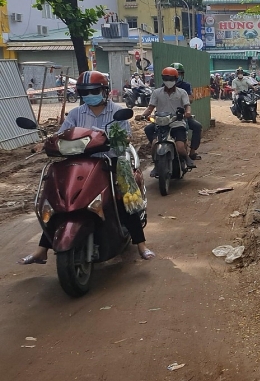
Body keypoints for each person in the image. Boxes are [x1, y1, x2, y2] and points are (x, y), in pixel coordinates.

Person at [18, 71, 154, 264]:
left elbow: (125, 136)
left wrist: (120, 139)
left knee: (123, 200)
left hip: (107, 162)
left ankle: (141, 245)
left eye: (94, 90)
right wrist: (45, 143)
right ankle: (42, 250)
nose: (90, 95)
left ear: (104, 91)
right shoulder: (75, 114)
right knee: (57, 201)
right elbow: (61, 134)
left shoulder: (116, 111)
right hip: (78, 164)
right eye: (85, 92)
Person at [138, 67, 195, 172]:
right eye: (166, 78)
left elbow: (187, 105)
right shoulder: (156, 92)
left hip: (177, 122)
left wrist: (187, 112)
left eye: (171, 79)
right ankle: (156, 165)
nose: (169, 81)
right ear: (162, 79)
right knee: (154, 144)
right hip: (161, 123)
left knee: (179, 146)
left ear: (176, 79)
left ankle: (187, 158)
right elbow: (150, 108)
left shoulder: (182, 92)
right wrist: (142, 115)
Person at [169, 62, 202, 161]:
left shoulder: (186, 86)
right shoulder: (164, 87)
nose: (177, 76)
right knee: (151, 129)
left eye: (179, 73)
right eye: (175, 74)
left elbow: (190, 99)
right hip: (167, 116)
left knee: (197, 127)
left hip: (182, 115)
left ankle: (192, 152)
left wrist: (183, 99)